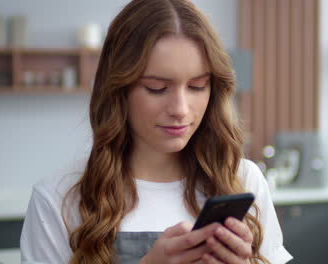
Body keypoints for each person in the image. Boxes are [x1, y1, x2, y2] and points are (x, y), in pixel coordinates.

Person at [20, 0, 293, 263]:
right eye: (156, 88)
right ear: (118, 90)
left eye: (197, 86)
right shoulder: (59, 198)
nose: (181, 109)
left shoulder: (242, 181)